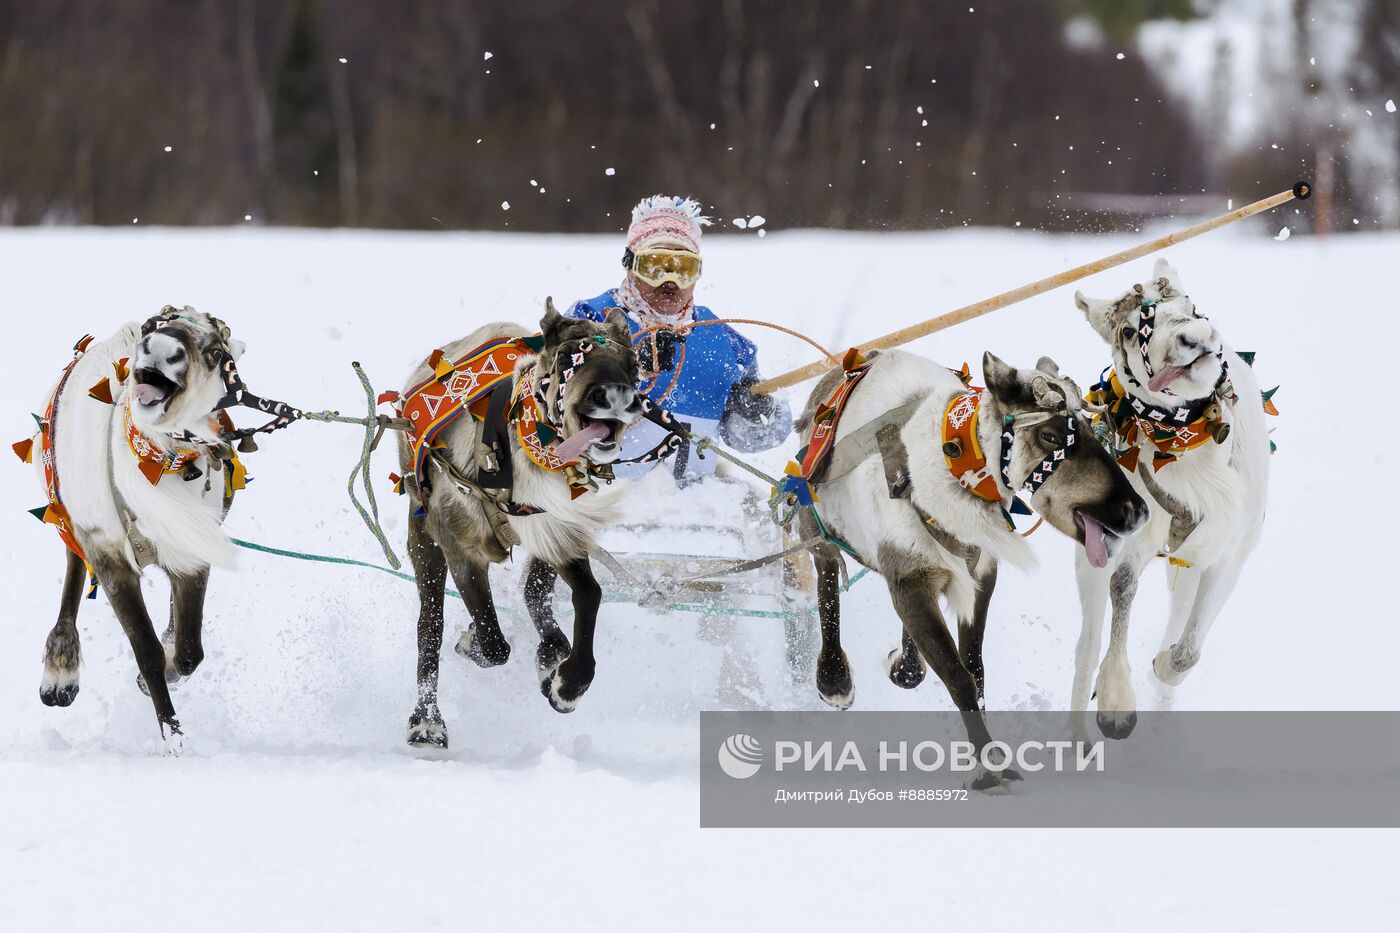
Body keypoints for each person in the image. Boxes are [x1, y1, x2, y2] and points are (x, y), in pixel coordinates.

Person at [565, 194, 791, 482]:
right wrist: (627, 372)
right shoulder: (588, 319)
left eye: (683, 268)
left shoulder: (727, 343)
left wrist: (757, 415)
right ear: (630, 265)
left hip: (693, 503)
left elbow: (748, 439)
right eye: (655, 266)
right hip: (602, 499)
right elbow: (551, 410)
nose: (669, 281)